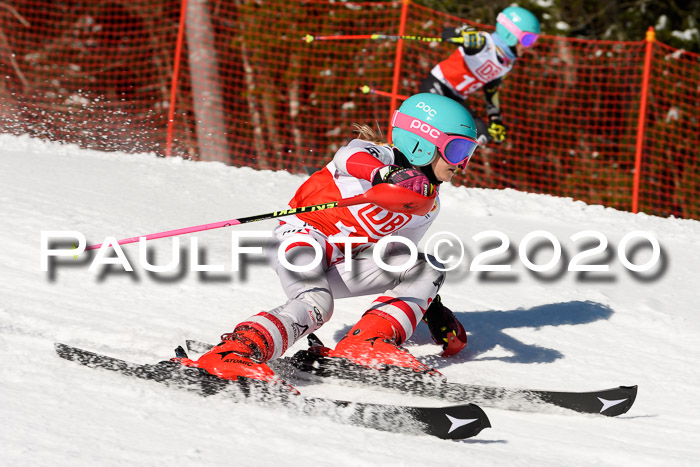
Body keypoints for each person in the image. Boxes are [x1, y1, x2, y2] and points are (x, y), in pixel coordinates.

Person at [173, 93, 478, 384]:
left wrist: (429, 304)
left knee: (427, 266)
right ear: (421, 142)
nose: (462, 164)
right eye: (456, 151)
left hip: (345, 263)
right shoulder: (379, 155)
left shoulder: (427, 204)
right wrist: (383, 174)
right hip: (301, 238)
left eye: (468, 153)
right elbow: (349, 157)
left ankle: (369, 342)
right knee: (317, 303)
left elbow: (397, 252)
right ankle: (235, 353)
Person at [419, 6, 541, 145]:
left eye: (534, 40)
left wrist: (495, 118)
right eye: (528, 39)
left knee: (479, 133)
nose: (529, 46)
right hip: (438, 86)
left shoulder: (507, 64)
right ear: (511, 33)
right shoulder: (484, 43)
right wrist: (462, 35)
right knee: (437, 129)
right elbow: (448, 33)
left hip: (456, 98)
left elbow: (491, 90)